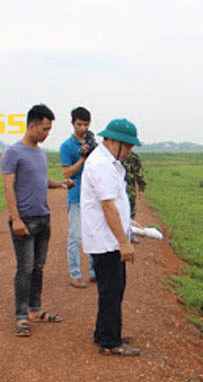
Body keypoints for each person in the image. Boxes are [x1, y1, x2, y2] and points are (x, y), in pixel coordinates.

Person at [1, 104, 74, 337]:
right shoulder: (13, 152)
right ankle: (21, 317)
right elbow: (8, 187)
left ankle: (35, 309)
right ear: (31, 126)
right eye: (44, 129)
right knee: (25, 269)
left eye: (49, 129)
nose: (46, 133)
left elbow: (41, 180)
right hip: (25, 220)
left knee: (38, 267)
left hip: (44, 217)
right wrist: (16, 219)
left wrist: (61, 184)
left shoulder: (40, 153)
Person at [80, 118, 142, 356]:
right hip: (107, 241)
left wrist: (129, 222)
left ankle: (104, 331)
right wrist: (124, 242)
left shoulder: (109, 162)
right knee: (112, 290)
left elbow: (115, 202)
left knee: (112, 289)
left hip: (108, 236)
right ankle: (110, 341)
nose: (129, 151)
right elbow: (107, 206)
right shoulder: (102, 165)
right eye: (127, 146)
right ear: (114, 141)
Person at [60, 106, 96, 288]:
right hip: (76, 196)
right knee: (75, 237)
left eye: (86, 124)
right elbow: (67, 172)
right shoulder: (67, 146)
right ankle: (75, 274)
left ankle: (93, 271)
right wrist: (82, 158)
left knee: (93, 233)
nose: (83, 128)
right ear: (73, 123)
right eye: (79, 124)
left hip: (93, 195)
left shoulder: (93, 143)